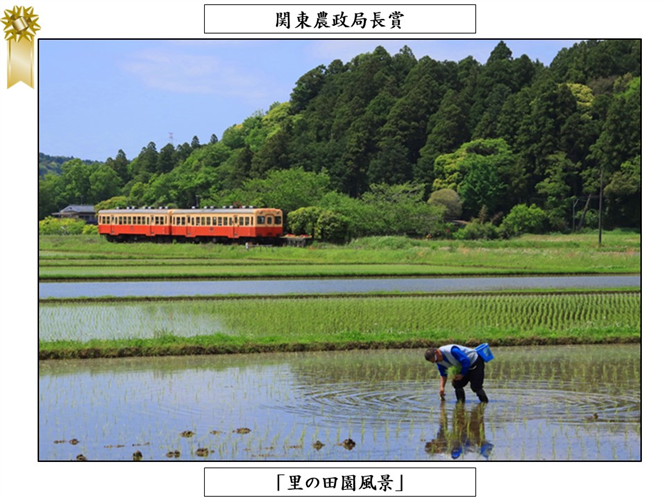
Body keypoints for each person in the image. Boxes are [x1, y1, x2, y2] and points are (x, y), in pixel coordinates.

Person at [424, 345, 489, 403]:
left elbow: (466, 361)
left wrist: (462, 374)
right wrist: (442, 387)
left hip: (475, 363)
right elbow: (443, 374)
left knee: (476, 387)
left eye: (436, 360)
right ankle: (460, 403)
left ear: (437, 352)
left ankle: (485, 403)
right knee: (457, 383)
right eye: (434, 362)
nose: (437, 362)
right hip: (464, 366)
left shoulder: (452, 351)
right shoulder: (439, 362)